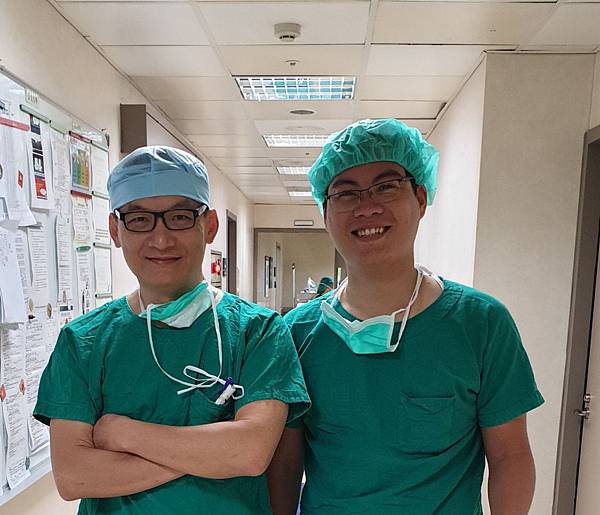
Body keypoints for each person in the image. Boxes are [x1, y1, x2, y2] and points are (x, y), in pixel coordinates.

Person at [267, 119, 544, 515]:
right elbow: (286, 463)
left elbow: (510, 455)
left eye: (386, 186)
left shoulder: (481, 324)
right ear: (326, 212)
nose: (367, 207)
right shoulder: (296, 334)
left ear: (421, 198)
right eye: (346, 193)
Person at [34, 146, 310, 515]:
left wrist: (123, 433)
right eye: (139, 219)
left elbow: (249, 453)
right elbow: (75, 477)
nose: (161, 239)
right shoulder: (83, 341)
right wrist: (214, 454)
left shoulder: (259, 332)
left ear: (209, 226)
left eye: (180, 217)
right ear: (115, 230)